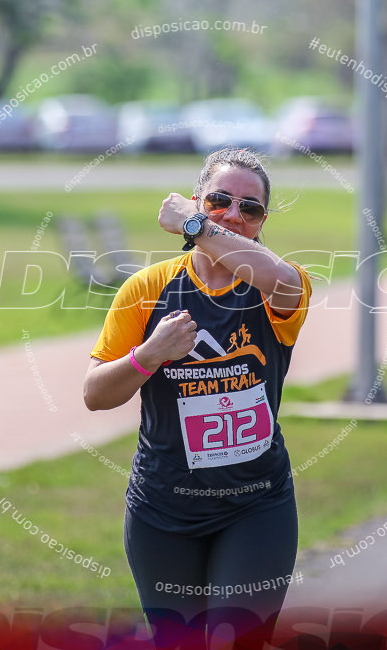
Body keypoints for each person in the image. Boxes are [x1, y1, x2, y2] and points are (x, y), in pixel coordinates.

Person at [83, 148, 312, 647]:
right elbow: (95, 395)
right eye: (219, 201)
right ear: (197, 199)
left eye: (248, 209)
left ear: (261, 222)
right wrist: (148, 356)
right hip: (162, 510)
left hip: (257, 507)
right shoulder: (147, 289)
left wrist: (194, 225)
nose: (232, 214)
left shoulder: (281, 287)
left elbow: (279, 279)